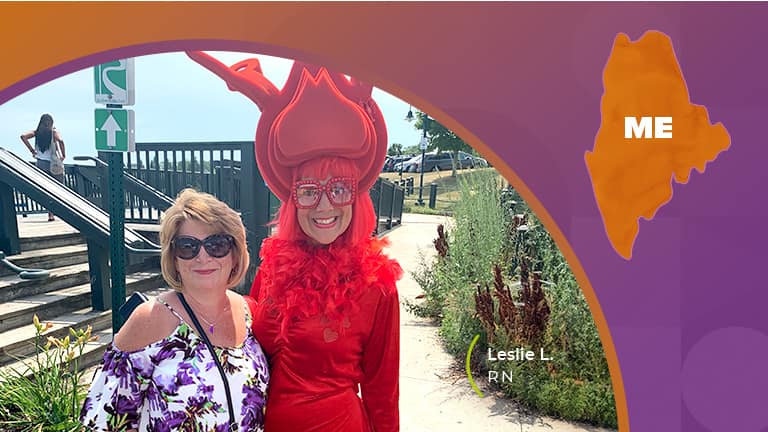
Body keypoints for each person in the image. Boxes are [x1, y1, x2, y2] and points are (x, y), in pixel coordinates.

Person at [187, 51, 403, 431]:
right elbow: (245, 331)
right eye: (308, 190)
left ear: (357, 196)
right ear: (292, 199)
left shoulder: (377, 286)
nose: (323, 205)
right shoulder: (274, 265)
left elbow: (382, 392)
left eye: (338, 188)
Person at [80, 188, 269, 432]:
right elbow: (106, 422)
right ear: (174, 258)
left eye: (217, 244)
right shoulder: (150, 319)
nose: (203, 256)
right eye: (188, 246)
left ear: (235, 253)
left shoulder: (248, 312)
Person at [20, 113, 66, 221]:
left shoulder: (36, 133)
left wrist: (32, 150)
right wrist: (63, 155)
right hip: (54, 164)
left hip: (41, 164)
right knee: (60, 189)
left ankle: (50, 214)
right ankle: (63, 213)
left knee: (47, 190)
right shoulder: (53, 132)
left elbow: (23, 136)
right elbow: (61, 141)